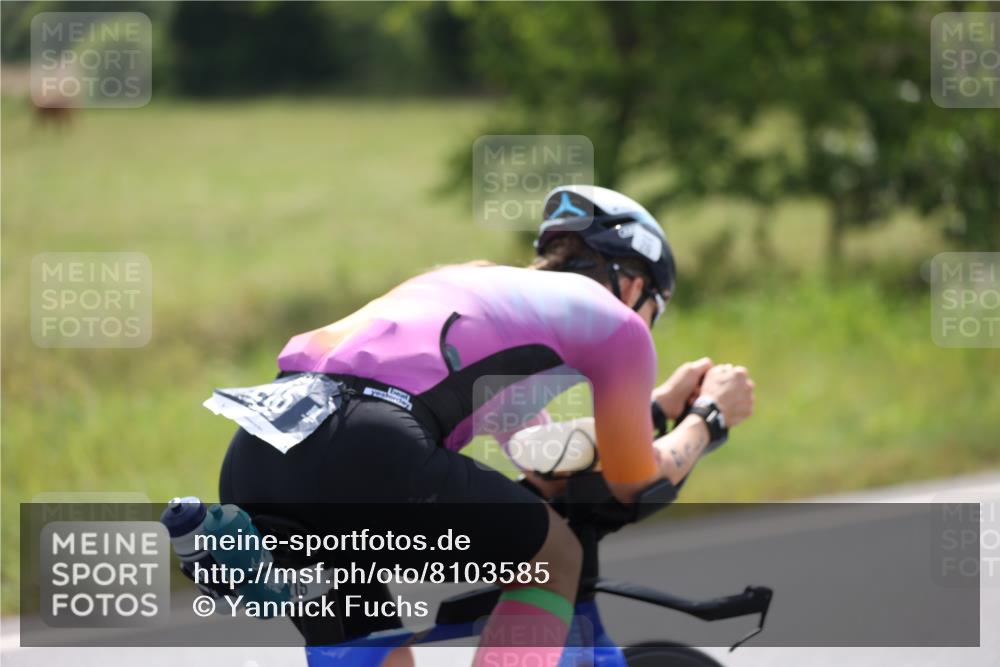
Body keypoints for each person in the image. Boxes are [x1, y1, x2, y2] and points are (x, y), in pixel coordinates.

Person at [218, 185, 755, 666]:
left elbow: (546, 459)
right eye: (655, 308)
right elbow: (633, 483)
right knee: (553, 555)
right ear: (635, 283)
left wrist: (657, 408)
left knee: (370, 641)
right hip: (369, 441)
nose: (649, 324)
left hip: (259, 449)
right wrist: (709, 417)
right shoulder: (619, 325)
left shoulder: (482, 292)